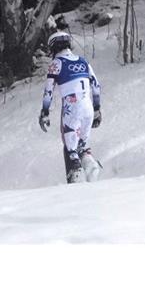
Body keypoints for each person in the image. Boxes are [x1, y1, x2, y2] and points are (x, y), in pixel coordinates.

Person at [38, 31, 102, 183]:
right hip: (88, 107)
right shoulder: (83, 61)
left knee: (70, 149)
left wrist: (44, 112)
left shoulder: (56, 64)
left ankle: (76, 177)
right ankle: (90, 165)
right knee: (83, 147)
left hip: (71, 108)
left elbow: (48, 91)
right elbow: (96, 85)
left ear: (53, 47)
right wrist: (97, 109)